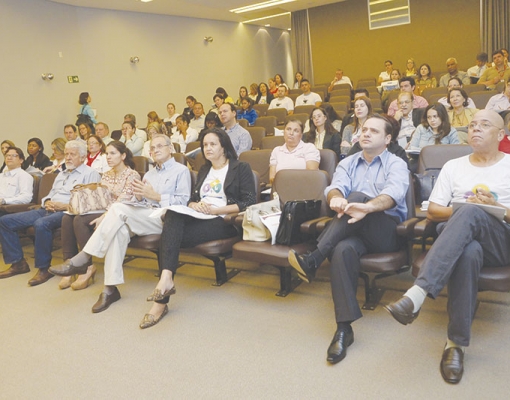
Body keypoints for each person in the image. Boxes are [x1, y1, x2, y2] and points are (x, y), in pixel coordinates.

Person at [385, 110, 510, 385]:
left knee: (472, 211)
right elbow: (434, 211)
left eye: (484, 125)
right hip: (460, 240)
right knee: (468, 250)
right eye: (473, 124)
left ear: (501, 135)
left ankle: (417, 294)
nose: (475, 129)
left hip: (500, 241)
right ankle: (455, 344)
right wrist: (465, 211)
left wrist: (493, 207)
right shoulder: (454, 166)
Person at [288, 114, 409, 364]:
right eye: (364, 129)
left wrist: (367, 206)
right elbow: (334, 188)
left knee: (358, 196)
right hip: (351, 230)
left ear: (387, 139)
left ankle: (315, 258)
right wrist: (334, 198)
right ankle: (344, 328)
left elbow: (392, 195)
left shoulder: (396, 163)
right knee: (343, 249)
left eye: (373, 131)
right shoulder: (348, 162)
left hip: (384, 230)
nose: (365, 133)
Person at [49, 134, 191, 313]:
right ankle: (110, 289)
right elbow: (140, 201)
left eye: (160, 146)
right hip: (144, 215)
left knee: (117, 209)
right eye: (152, 148)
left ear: (170, 149)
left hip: (166, 220)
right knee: (119, 230)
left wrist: (154, 195)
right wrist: (139, 197)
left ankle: (84, 257)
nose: (155, 150)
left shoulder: (180, 170)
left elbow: (183, 202)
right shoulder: (149, 173)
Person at [140, 128, 256, 329]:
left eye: (212, 144)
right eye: (205, 145)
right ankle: (166, 279)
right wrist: (195, 205)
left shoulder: (240, 167)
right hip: (199, 216)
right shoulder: (204, 169)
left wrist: (216, 209)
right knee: (173, 213)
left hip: (224, 221)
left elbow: (248, 202)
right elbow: (192, 200)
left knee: (168, 238)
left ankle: (160, 303)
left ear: (224, 146)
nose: (207, 148)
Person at [0, 140, 100, 286]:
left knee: (41, 224)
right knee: (5, 221)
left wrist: (64, 205)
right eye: (66, 154)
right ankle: (18, 263)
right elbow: (50, 194)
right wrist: (47, 202)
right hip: (46, 208)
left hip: (68, 212)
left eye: (73, 154)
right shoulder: (61, 174)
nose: (68, 157)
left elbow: (89, 203)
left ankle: (43, 269)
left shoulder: (91, 174)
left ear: (83, 157)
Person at [55, 141, 140, 290]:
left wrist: (104, 216)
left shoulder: (132, 175)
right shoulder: (106, 175)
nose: (108, 157)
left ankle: (87, 267)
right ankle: (70, 266)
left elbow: (122, 202)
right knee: (67, 218)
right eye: (107, 154)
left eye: (113, 153)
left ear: (123, 156)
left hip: (120, 212)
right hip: (102, 209)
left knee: (79, 221)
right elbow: (100, 198)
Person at [269, 119, 320, 183]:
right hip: (282, 187)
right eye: (288, 129)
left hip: (305, 187)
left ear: (301, 135)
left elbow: (311, 174)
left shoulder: (309, 148)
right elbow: (272, 178)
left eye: (296, 131)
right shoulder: (276, 151)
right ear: (284, 132)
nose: (291, 133)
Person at [0, 146, 33, 213]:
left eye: (14, 155)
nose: (9, 158)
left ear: (21, 160)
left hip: (10, 209)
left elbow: (26, 198)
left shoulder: (24, 176)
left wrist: (4, 201)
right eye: (7, 155)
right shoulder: (1, 176)